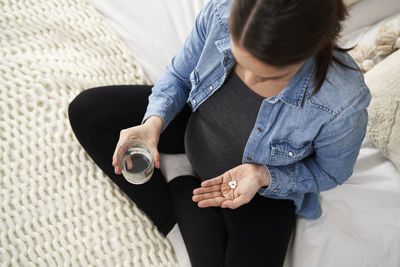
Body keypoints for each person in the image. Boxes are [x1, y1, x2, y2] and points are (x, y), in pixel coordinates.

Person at [68, 0, 371, 266]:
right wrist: (153, 123)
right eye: (239, 58)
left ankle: (180, 182)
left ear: (307, 53)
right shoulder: (221, 11)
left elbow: (332, 173)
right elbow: (178, 76)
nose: (249, 79)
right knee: (87, 112)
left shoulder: (342, 102)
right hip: (193, 124)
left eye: (267, 74)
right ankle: (174, 221)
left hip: (259, 192)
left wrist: (264, 175)